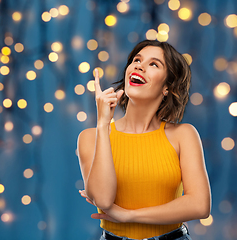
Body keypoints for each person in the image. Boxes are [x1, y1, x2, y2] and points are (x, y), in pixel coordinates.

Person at [77, 40, 211, 240]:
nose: (139, 65)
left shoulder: (184, 135)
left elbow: (200, 205)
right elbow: (104, 200)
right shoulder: (91, 137)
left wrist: (130, 215)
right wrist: (103, 124)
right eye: (137, 60)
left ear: (167, 86)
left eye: (154, 64)